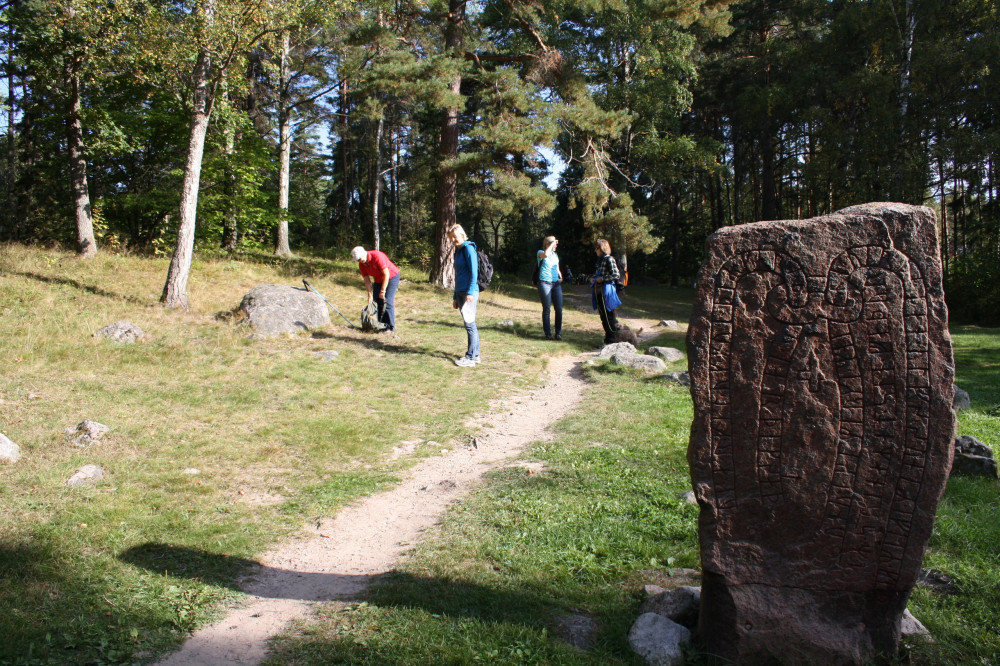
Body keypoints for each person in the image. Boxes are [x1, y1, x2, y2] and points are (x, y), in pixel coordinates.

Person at [448, 224, 480, 367]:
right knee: (470, 324)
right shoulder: (458, 251)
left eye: (455, 237)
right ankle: (476, 355)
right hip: (460, 291)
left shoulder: (468, 248)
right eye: (451, 238)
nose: (454, 240)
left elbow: (474, 272)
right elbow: (457, 275)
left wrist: (470, 292)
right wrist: (455, 296)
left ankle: (471, 357)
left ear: (462, 234)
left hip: (469, 292)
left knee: (470, 324)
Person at [350, 246, 400, 332]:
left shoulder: (377, 256)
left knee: (386, 301)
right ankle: (380, 325)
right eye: (357, 260)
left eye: (360, 258)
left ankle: (390, 327)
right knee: (376, 302)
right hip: (378, 279)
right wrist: (369, 295)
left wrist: (382, 291)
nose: (359, 261)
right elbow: (367, 280)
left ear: (364, 254)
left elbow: (386, 275)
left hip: (391, 277)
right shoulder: (361, 265)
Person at [592, 238, 622, 345]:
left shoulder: (609, 259)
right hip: (599, 291)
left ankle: (613, 339)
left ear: (602, 248)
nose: (595, 250)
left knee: (609, 315)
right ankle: (608, 339)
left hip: (607, 292)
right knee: (603, 316)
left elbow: (616, 275)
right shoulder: (600, 260)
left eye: (597, 248)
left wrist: (602, 279)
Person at [535, 236, 563, 340]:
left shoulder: (555, 255)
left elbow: (557, 267)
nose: (556, 245)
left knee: (559, 309)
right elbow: (545, 255)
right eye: (554, 244)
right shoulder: (540, 252)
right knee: (547, 309)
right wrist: (551, 244)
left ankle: (558, 333)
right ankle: (548, 333)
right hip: (544, 283)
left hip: (556, 284)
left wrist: (560, 277)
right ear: (547, 244)